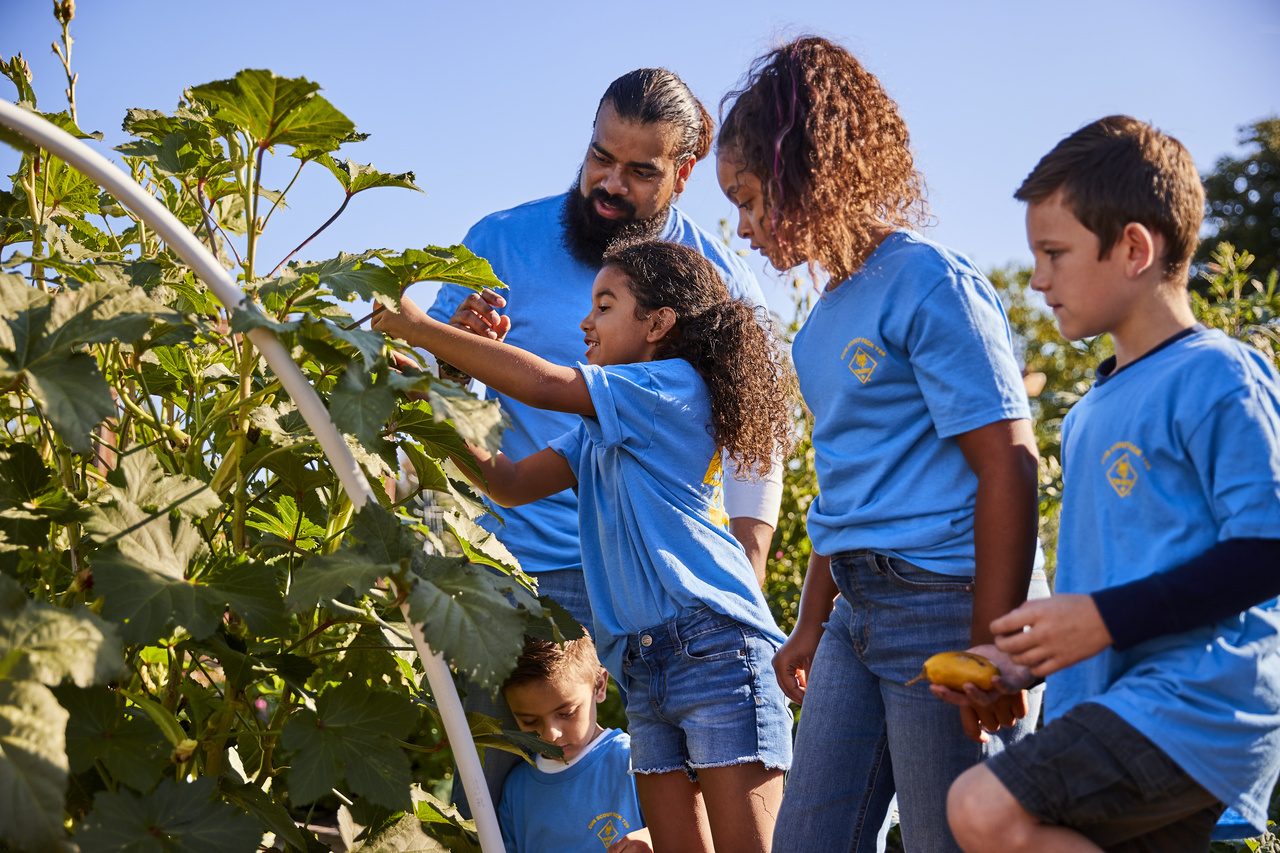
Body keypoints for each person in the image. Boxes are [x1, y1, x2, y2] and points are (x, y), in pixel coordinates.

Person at [715, 36, 1047, 852]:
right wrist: (808, 621)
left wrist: (992, 644)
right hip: (852, 619)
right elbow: (845, 494)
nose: (745, 227)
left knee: (950, 840)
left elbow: (1008, 461)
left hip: (944, 606)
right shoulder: (819, 326)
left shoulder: (930, 282)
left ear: (810, 170)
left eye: (754, 199)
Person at [374, 238, 794, 852]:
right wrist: (430, 397)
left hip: (715, 647)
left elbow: (546, 385)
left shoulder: (671, 386)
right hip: (644, 663)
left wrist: (424, 329)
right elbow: (508, 482)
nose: (584, 321)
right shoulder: (601, 432)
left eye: (604, 306)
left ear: (657, 324)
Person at [942, 115, 1280, 852]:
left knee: (980, 806)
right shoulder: (1091, 409)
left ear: (1133, 248)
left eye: (1054, 253)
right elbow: (1111, 582)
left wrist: (1103, 619)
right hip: (1109, 704)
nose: (1036, 278)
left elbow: (1268, 548)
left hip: (1198, 709)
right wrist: (1019, 662)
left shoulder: (1219, 374)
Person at [420, 68, 783, 636]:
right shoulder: (499, 241)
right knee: (494, 731)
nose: (610, 183)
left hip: (662, 577)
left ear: (682, 174)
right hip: (508, 561)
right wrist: (454, 355)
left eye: (640, 172)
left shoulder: (722, 279)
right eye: (600, 157)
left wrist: (749, 565)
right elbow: (427, 379)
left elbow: (756, 440)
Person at [497, 633, 650, 853]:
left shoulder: (633, 760)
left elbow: (691, 833)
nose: (551, 735)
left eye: (566, 713)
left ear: (599, 685)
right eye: (529, 721)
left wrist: (650, 839)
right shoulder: (516, 788)